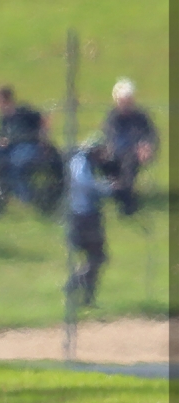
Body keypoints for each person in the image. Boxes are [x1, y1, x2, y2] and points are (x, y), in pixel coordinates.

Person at [64, 138, 115, 305]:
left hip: (91, 215)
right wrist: (107, 187)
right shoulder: (79, 161)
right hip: (82, 216)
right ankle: (74, 283)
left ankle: (88, 297)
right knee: (96, 257)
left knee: (97, 258)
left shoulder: (91, 163)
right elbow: (84, 183)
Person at [100, 78, 158, 216]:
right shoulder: (112, 117)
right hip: (116, 152)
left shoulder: (141, 117)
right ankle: (117, 192)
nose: (125, 104)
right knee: (106, 161)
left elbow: (151, 135)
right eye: (122, 101)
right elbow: (110, 137)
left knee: (129, 163)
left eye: (128, 100)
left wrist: (147, 147)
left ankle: (126, 201)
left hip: (134, 154)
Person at [0, 86, 49, 204]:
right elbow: (1, 135)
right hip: (10, 149)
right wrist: (1, 141)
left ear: (5, 99)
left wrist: (43, 139)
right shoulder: (3, 118)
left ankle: (26, 196)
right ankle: (6, 193)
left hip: (28, 145)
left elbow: (43, 120)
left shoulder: (23, 110)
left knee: (15, 165)